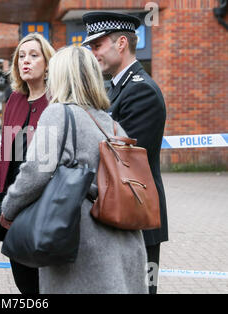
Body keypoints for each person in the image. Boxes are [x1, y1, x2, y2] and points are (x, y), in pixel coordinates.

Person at [0, 46, 148, 294]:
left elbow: (36, 171)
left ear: (59, 77)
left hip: (82, 249)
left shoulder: (58, 113)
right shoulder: (112, 126)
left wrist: (9, 209)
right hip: (125, 247)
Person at [82, 11, 168, 294]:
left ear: (121, 43)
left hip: (136, 214)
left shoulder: (141, 91)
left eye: (97, 46)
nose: (93, 54)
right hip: (121, 212)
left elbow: (121, 159)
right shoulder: (119, 88)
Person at [0, 33, 55, 294]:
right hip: (12, 211)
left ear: (48, 63)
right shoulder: (14, 100)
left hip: (44, 213)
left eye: (34, 55)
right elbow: (5, 149)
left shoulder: (58, 101)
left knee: (44, 285)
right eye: (21, 56)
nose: (26, 61)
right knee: (24, 284)